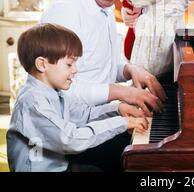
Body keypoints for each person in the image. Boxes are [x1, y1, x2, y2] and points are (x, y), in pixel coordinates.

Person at [40, 0, 166, 115]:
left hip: (100, 119)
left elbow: (102, 67)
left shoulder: (103, 3)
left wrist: (130, 70)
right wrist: (121, 92)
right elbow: (54, 90)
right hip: (71, 130)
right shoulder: (64, 12)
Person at [7, 23, 148, 172]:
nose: (75, 70)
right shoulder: (32, 103)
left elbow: (84, 115)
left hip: (61, 166)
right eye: (69, 64)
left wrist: (117, 109)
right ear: (42, 64)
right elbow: (70, 139)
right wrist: (122, 123)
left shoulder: (55, 92)